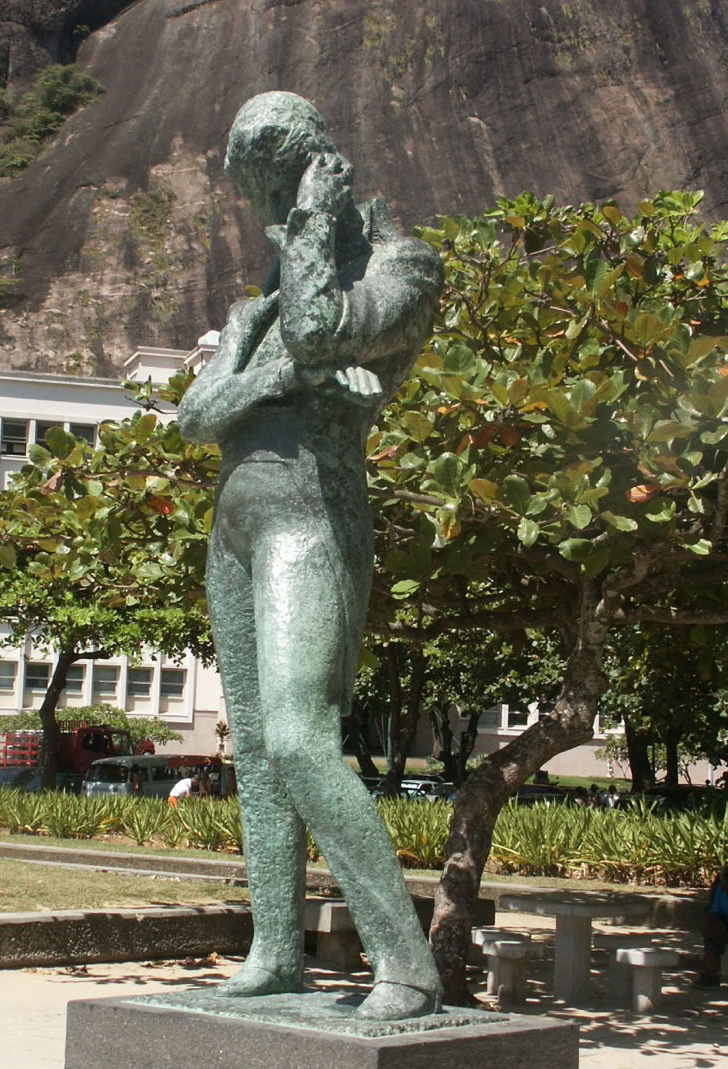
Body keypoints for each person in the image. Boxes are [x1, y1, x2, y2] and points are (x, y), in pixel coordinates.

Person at [177, 91, 444, 1020]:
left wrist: (316, 224)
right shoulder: (253, 313)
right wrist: (279, 378)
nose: (275, 214)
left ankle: (404, 963)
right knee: (254, 747)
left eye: (283, 187)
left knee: (297, 737)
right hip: (236, 529)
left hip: (312, 517)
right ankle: (275, 948)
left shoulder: (406, 267)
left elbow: (320, 327)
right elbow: (195, 417)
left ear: (317, 169)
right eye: (269, 199)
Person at [695, 864, 728, 988]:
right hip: (723, 919)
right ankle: (711, 975)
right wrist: (716, 925)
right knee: (710, 930)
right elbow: (712, 911)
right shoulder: (719, 885)